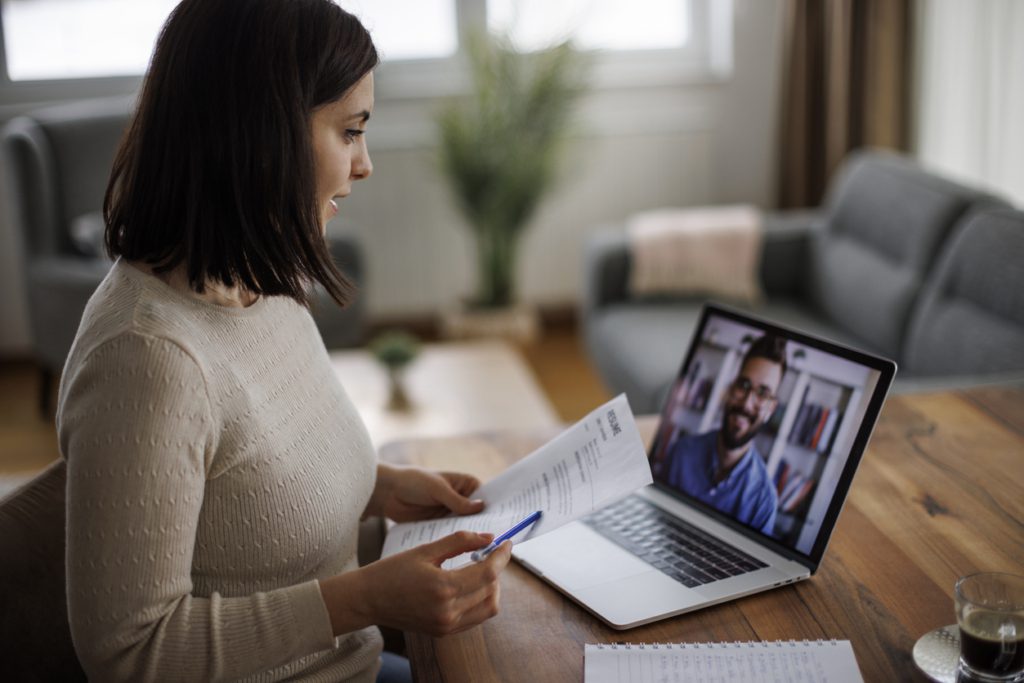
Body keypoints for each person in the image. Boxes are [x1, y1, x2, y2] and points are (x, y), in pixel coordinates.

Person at [56, 2, 511, 681]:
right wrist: (364, 596)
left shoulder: (258, 280)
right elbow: (129, 651)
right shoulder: (146, 358)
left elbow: (246, 482)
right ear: (261, 135)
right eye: (350, 131)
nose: (365, 165)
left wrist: (382, 489)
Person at [662, 334, 787, 535]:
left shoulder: (764, 500)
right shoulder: (681, 451)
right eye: (744, 385)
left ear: (771, 409)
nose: (746, 403)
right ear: (731, 389)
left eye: (762, 393)